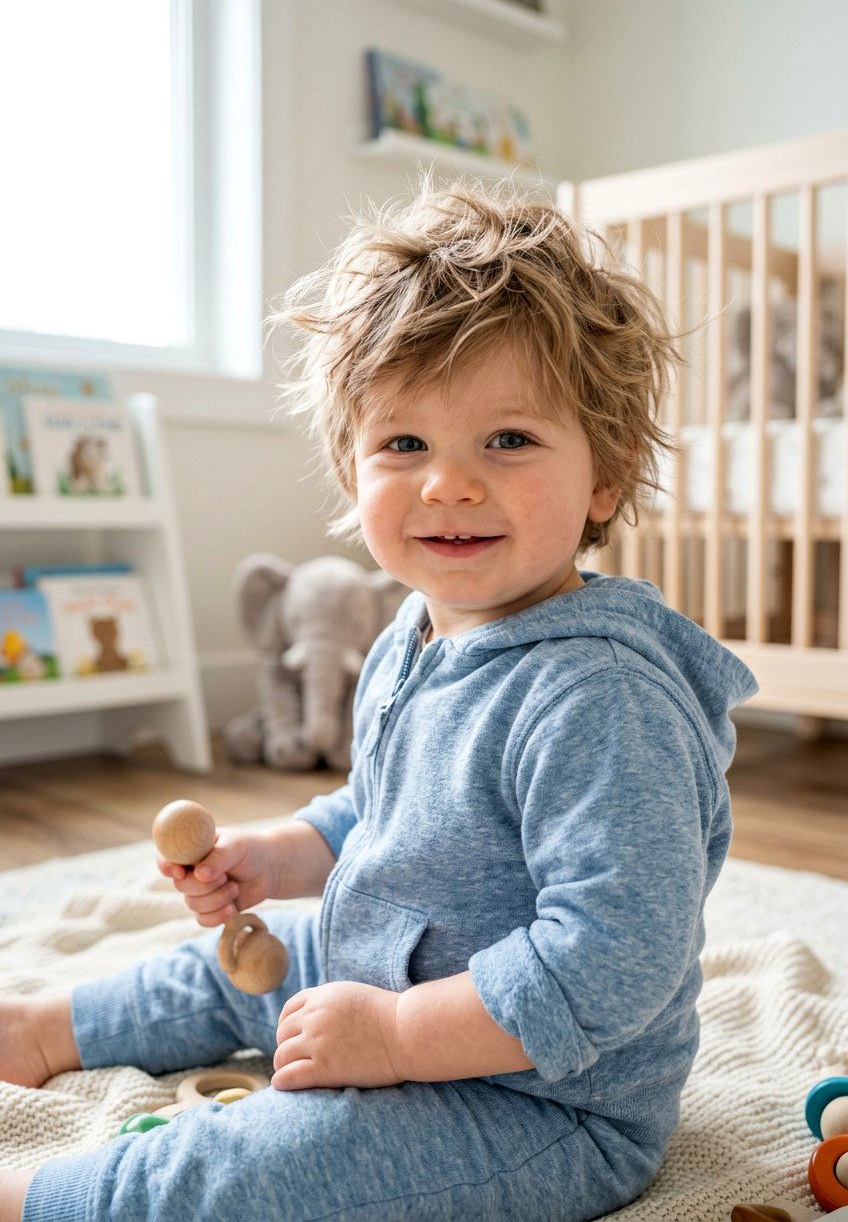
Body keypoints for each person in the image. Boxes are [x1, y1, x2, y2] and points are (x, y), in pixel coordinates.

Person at [0, 177, 757, 1222]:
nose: (447, 483)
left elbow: (610, 961)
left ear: (605, 475)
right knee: (230, 968)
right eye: (404, 445)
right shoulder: (414, 632)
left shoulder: (601, 699)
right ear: (349, 469)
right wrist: (281, 854)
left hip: (538, 1100)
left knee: (273, 1164)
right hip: (388, 962)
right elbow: (385, 811)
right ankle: (43, 1026)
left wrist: (395, 1039)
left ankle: (47, 1198)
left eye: (507, 440)